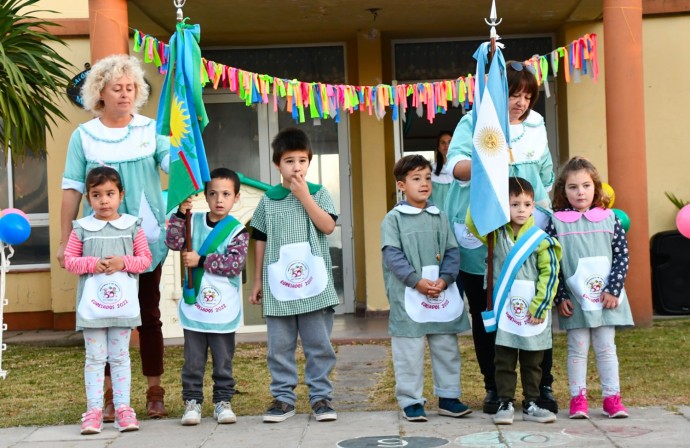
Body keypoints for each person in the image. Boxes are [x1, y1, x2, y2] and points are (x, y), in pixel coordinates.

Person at [59, 54, 171, 421]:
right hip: (98, 243)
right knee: (102, 317)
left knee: (148, 314)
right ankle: (108, 397)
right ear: (100, 93)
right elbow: (72, 190)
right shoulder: (84, 136)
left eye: (131, 88)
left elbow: (180, 167)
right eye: (117, 88)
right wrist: (64, 239)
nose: (125, 94)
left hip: (145, 239)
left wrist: (188, 146)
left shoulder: (151, 130)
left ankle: (154, 390)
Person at [444, 60, 557, 414]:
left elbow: (546, 175)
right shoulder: (475, 121)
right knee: (487, 311)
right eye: (514, 93)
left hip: (528, 229)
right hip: (485, 232)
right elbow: (455, 167)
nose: (521, 102)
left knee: (536, 304)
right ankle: (496, 387)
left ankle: (541, 388)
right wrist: (487, 158)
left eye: (527, 95)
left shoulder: (537, 125)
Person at [249, 127, 340, 423]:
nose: (296, 167)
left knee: (318, 344)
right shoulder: (268, 200)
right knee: (280, 346)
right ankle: (283, 398)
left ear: (309, 162)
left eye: (302, 160)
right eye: (289, 161)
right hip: (279, 286)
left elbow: (327, 226)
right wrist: (258, 280)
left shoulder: (319, 193)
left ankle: (321, 397)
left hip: (314, 285)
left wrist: (304, 196)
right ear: (278, 165)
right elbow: (259, 238)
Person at [381, 155, 472, 422]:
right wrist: (415, 281)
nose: (424, 184)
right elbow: (392, 255)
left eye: (427, 178)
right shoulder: (393, 219)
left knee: (446, 347)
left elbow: (453, 251)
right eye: (416, 178)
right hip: (408, 296)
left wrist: (445, 279)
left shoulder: (439, 216)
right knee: (409, 351)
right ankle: (411, 400)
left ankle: (449, 396)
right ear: (401, 185)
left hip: (440, 294)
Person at [64, 167, 152, 435]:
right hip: (92, 309)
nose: (104, 200)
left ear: (121, 195)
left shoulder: (132, 226)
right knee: (94, 358)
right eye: (96, 194)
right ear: (89, 198)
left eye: (110, 194)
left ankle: (123, 408)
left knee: (120, 357)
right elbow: (69, 260)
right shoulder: (81, 228)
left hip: (122, 308)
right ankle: (93, 411)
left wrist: (123, 262)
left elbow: (145, 260)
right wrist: (93, 263)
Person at [467, 177, 561, 425]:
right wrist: (483, 193)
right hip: (505, 310)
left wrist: (540, 305)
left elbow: (549, 274)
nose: (521, 209)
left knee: (533, 361)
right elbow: (471, 222)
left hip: (533, 310)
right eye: (514, 204)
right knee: (504, 359)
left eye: (527, 204)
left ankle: (531, 402)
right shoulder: (495, 236)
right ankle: (505, 401)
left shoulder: (541, 239)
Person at [546, 156, 633, 419]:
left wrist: (613, 290)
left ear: (596, 188)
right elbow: (553, 262)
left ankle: (612, 398)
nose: (580, 192)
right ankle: (578, 399)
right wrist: (560, 296)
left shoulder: (610, 219)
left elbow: (622, 256)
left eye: (585, 185)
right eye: (573, 187)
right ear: (563, 190)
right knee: (577, 348)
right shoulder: (557, 222)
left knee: (606, 348)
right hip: (576, 299)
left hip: (607, 297)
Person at [165, 168, 249, 426]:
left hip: (222, 308)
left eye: (226, 194)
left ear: (236, 197)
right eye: (213, 194)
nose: (219, 200)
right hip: (196, 307)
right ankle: (193, 401)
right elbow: (173, 241)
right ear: (205, 195)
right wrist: (180, 213)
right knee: (193, 359)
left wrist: (201, 260)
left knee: (223, 360)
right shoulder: (192, 221)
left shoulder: (238, 231)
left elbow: (234, 265)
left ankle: (223, 401)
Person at [429, 130, 453, 212]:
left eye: (450, 142)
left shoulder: (460, 168)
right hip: (436, 215)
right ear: (438, 147)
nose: (446, 145)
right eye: (443, 142)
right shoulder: (431, 170)